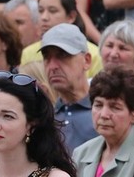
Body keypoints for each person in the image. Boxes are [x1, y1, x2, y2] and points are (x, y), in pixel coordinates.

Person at [39, 24, 96, 153]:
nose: (52, 66)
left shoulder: (105, 114)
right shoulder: (44, 119)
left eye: (63, 55)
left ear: (86, 60)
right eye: (46, 57)